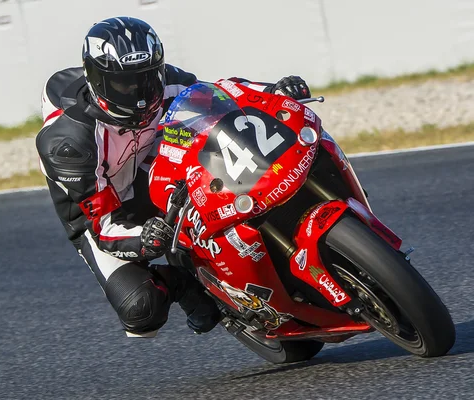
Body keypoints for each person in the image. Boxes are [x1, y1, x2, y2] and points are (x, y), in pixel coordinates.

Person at [36, 16, 311, 337]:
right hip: (103, 211)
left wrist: (273, 90)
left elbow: (221, 93)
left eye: (148, 77)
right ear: (98, 81)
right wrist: (143, 240)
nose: (140, 93)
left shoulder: (166, 81)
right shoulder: (68, 144)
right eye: (125, 83)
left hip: (150, 165)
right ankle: (182, 284)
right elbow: (102, 227)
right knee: (141, 309)